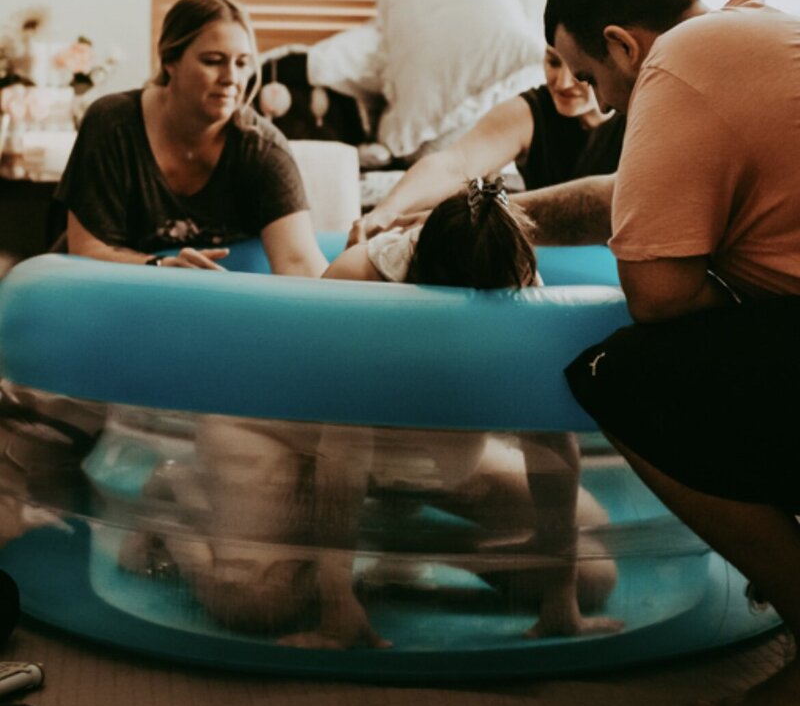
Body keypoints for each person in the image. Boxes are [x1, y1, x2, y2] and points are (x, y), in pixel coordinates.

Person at [115, 181, 619, 648]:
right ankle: (174, 493)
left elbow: (551, 445)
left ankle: (404, 544)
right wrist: (337, 606)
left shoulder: (519, 285)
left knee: (593, 577)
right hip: (289, 437)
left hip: (420, 459)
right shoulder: (359, 283)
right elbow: (343, 450)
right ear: (423, 275)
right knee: (258, 605)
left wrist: (561, 601)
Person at [536, 0, 800, 706]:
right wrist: (514, 214)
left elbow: (657, 296)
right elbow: (627, 194)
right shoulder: (751, 34)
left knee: (624, 372)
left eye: (588, 75)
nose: (596, 100)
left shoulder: (677, 65)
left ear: (624, 43)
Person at [56, 0, 327, 276]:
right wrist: (162, 268)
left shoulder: (262, 149)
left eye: (242, 63)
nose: (231, 78)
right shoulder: (112, 125)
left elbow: (298, 262)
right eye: (212, 61)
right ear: (170, 60)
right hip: (106, 295)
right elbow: (87, 250)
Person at [347, 45, 625, 248]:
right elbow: (454, 164)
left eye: (577, 71)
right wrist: (386, 211)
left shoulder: (644, 113)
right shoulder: (530, 111)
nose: (562, 82)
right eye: (552, 62)